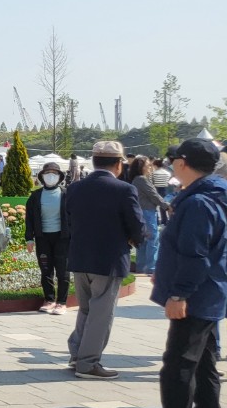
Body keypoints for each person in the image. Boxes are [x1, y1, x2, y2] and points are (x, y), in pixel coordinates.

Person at [128, 138, 227, 408]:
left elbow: (196, 254)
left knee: (178, 364)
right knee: (204, 361)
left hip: (196, 294)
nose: (171, 165)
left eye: (174, 161)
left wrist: (179, 292)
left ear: (184, 163)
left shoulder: (199, 202)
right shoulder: (211, 194)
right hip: (209, 290)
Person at [64, 141, 145, 379]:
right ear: (119, 164)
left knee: (86, 310)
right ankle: (88, 363)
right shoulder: (124, 189)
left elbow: (70, 220)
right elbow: (137, 225)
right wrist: (134, 240)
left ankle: (78, 354)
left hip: (80, 256)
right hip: (109, 259)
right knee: (101, 313)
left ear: (94, 160)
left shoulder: (75, 188)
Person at [25, 162, 71, 315]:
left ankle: (62, 302)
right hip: (42, 237)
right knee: (46, 269)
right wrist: (29, 239)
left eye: (54, 173)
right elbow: (29, 218)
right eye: (47, 173)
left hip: (62, 238)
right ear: (42, 176)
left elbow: (73, 217)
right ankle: (49, 299)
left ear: (59, 177)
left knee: (63, 270)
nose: (51, 176)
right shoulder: (35, 196)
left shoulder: (66, 194)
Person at [125, 155, 170, 275]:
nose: (150, 167)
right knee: (153, 240)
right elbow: (153, 195)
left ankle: (142, 266)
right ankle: (151, 267)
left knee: (144, 241)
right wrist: (167, 206)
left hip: (142, 211)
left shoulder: (137, 179)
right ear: (142, 167)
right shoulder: (142, 179)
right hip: (148, 212)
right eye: (148, 165)